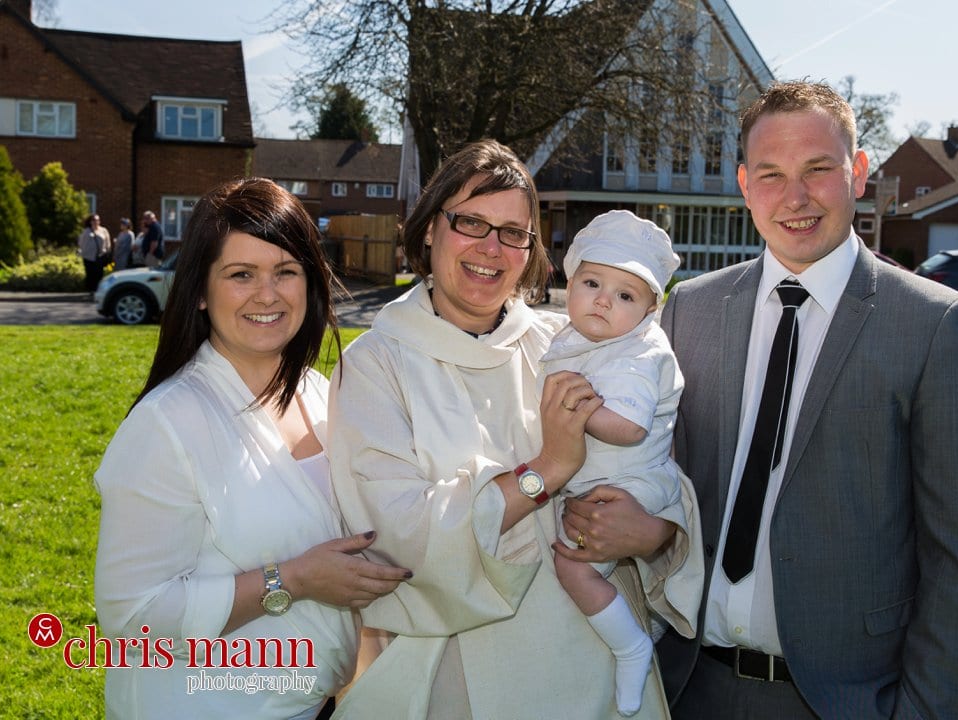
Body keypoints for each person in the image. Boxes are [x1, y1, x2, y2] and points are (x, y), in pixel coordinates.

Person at [657, 80, 958, 720]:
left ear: (859, 170)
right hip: (686, 687)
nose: (795, 197)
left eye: (818, 169)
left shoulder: (935, 328)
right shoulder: (691, 310)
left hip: (842, 701)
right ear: (742, 183)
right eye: (770, 175)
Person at [328, 139, 703, 719]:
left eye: (513, 232)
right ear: (429, 228)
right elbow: (394, 533)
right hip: (462, 672)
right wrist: (548, 470)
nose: (491, 248)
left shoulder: (567, 344)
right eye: (471, 222)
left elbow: (651, 459)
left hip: (592, 666)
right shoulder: (378, 363)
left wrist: (651, 534)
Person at [94, 177, 411, 720]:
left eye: (286, 271)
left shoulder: (321, 393)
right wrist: (292, 580)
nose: (268, 294)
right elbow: (131, 613)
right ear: (200, 289)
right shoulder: (166, 424)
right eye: (241, 274)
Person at [541, 210, 688, 716]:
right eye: (592, 282)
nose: (603, 299)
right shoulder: (580, 340)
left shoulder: (638, 355)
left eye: (626, 295)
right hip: (603, 479)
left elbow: (630, 427)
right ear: (570, 280)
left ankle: (633, 645)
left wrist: (580, 411)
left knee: (573, 566)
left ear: (649, 311)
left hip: (633, 485)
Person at [77, 213, 111, 295]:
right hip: (88, 257)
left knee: (99, 274)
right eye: (95, 220)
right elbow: (81, 243)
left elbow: (107, 242)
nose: (96, 222)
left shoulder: (103, 230)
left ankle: (98, 290)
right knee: (90, 274)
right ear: (91, 222)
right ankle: (91, 290)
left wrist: (107, 251)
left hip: (100, 256)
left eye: (98, 220)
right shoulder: (86, 231)